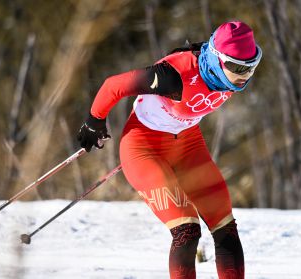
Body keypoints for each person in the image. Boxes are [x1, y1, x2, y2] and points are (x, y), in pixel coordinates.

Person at [77, 20, 262, 279]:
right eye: (237, 66)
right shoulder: (171, 77)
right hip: (144, 147)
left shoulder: (226, 73)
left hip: (188, 145)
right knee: (187, 230)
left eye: (252, 66)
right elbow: (113, 85)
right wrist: (94, 120)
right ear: (218, 59)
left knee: (225, 228)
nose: (245, 75)